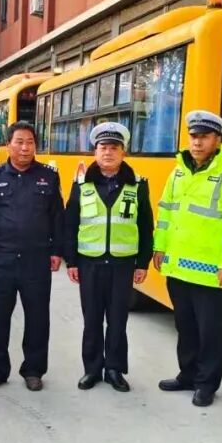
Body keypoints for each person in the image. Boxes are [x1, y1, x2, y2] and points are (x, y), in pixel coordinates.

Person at [153, 110, 222, 407]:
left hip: (211, 270)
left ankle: (206, 384)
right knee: (184, 326)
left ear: (217, 140)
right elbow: (166, 211)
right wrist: (160, 248)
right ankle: (187, 375)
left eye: (204, 137)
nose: (197, 143)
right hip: (178, 266)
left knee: (209, 331)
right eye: (194, 137)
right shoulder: (179, 171)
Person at [63, 122, 153, 392]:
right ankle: (91, 370)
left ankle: (114, 369)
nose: (108, 152)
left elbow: (145, 225)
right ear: (95, 152)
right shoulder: (81, 185)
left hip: (122, 264)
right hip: (89, 263)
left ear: (123, 153)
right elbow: (70, 225)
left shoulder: (138, 185)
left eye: (114, 148)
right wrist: (72, 262)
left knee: (118, 320)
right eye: (103, 147)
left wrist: (142, 262)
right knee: (91, 319)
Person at [0, 121, 64, 392]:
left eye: (30, 142)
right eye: (19, 142)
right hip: (1, 258)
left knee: (37, 318)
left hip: (35, 260)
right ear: (8, 145)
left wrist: (57, 251)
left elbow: (57, 217)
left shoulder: (48, 177)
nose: (25, 147)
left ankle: (34, 370)